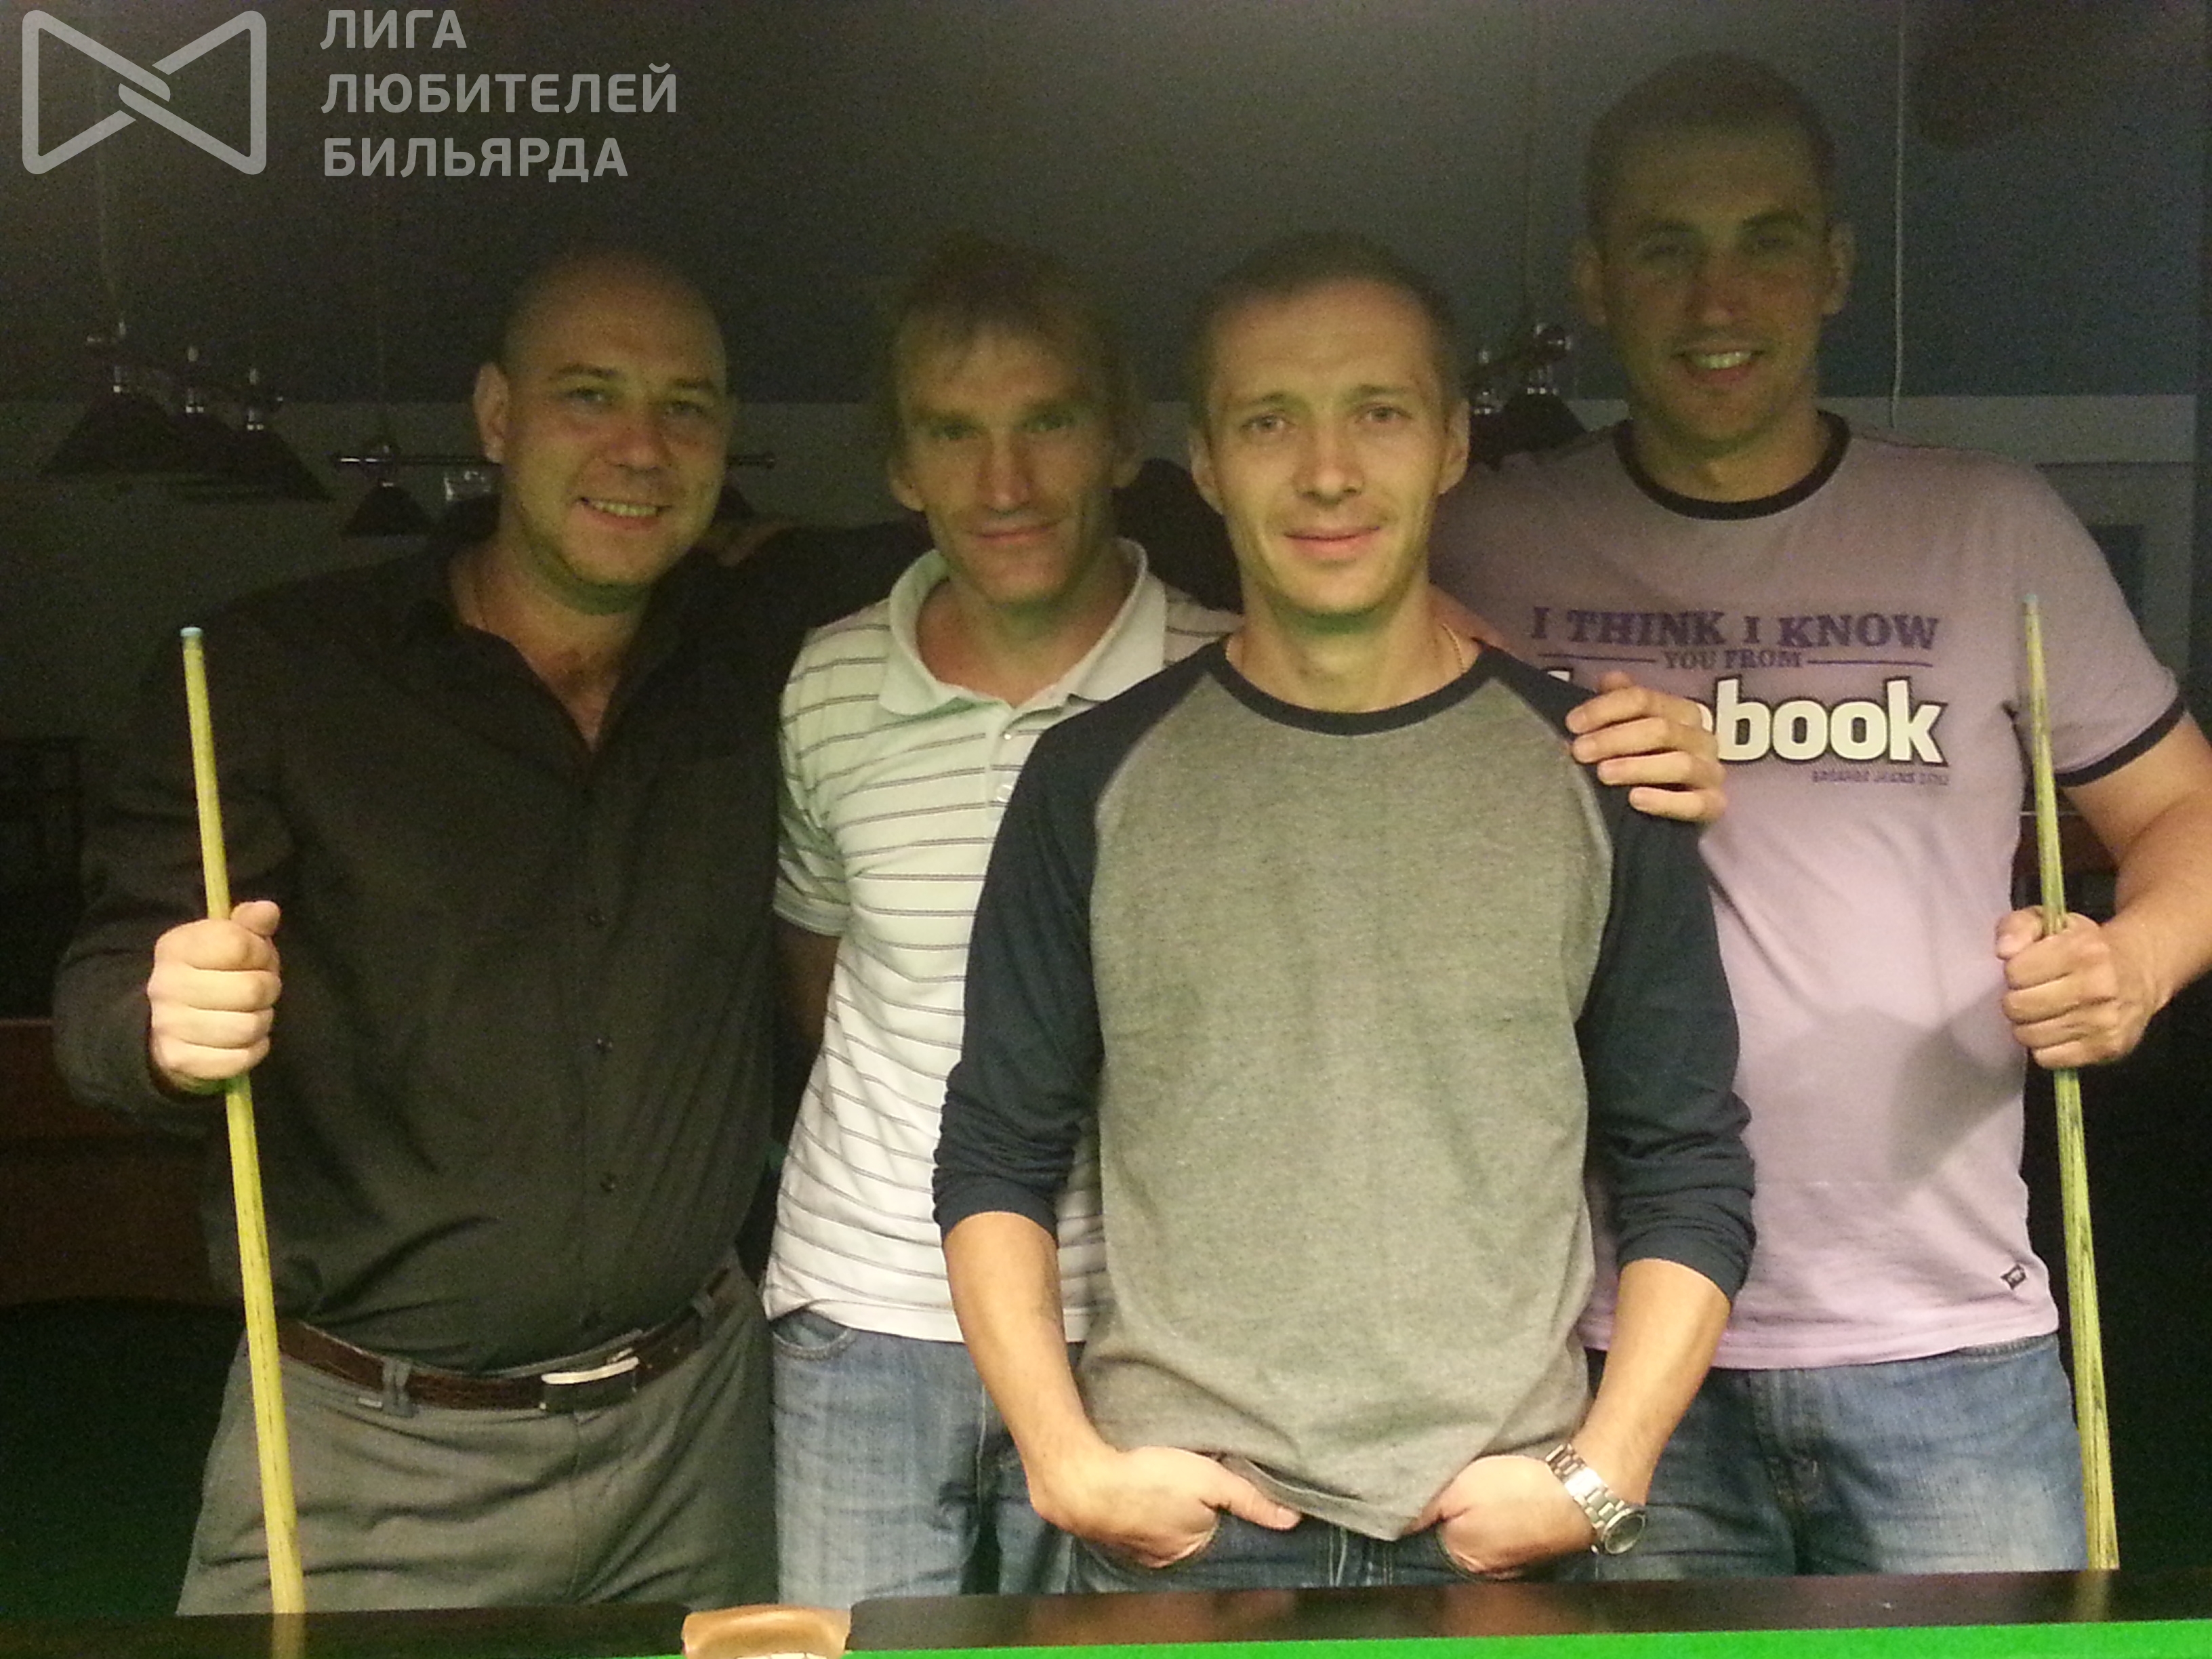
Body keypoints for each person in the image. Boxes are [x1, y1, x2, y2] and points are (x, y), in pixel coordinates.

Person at [1430, 53, 2212, 1578]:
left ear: (1837, 268)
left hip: (1945, 1349)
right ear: (1595, 278)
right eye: (1667, 246)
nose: (1718, 297)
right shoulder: (1479, 543)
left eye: (1768, 241)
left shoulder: (1987, 525)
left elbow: (2185, 805)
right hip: (1591, 1352)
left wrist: (2138, 961)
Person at [933, 233, 1756, 1594]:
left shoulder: (1602, 776)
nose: (1327, 471)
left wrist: (1602, 1479)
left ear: (1449, 443)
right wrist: (1065, 1461)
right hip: (1187, 1546)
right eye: (1271, 421)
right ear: (1205, 460)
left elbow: (1688, 1163)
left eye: (1378, 412)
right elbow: (994, 1151)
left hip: (1502, 1539)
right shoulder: (1090, 779)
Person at [51, 251, 782, 1612]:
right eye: (589, 394)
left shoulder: (763, 662)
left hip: (699, 1442)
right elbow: (107, 987)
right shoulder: (277, 678)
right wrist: (158, 1024)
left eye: (686, 406)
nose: (641, 446)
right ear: (498, 417)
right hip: (372, 1463)